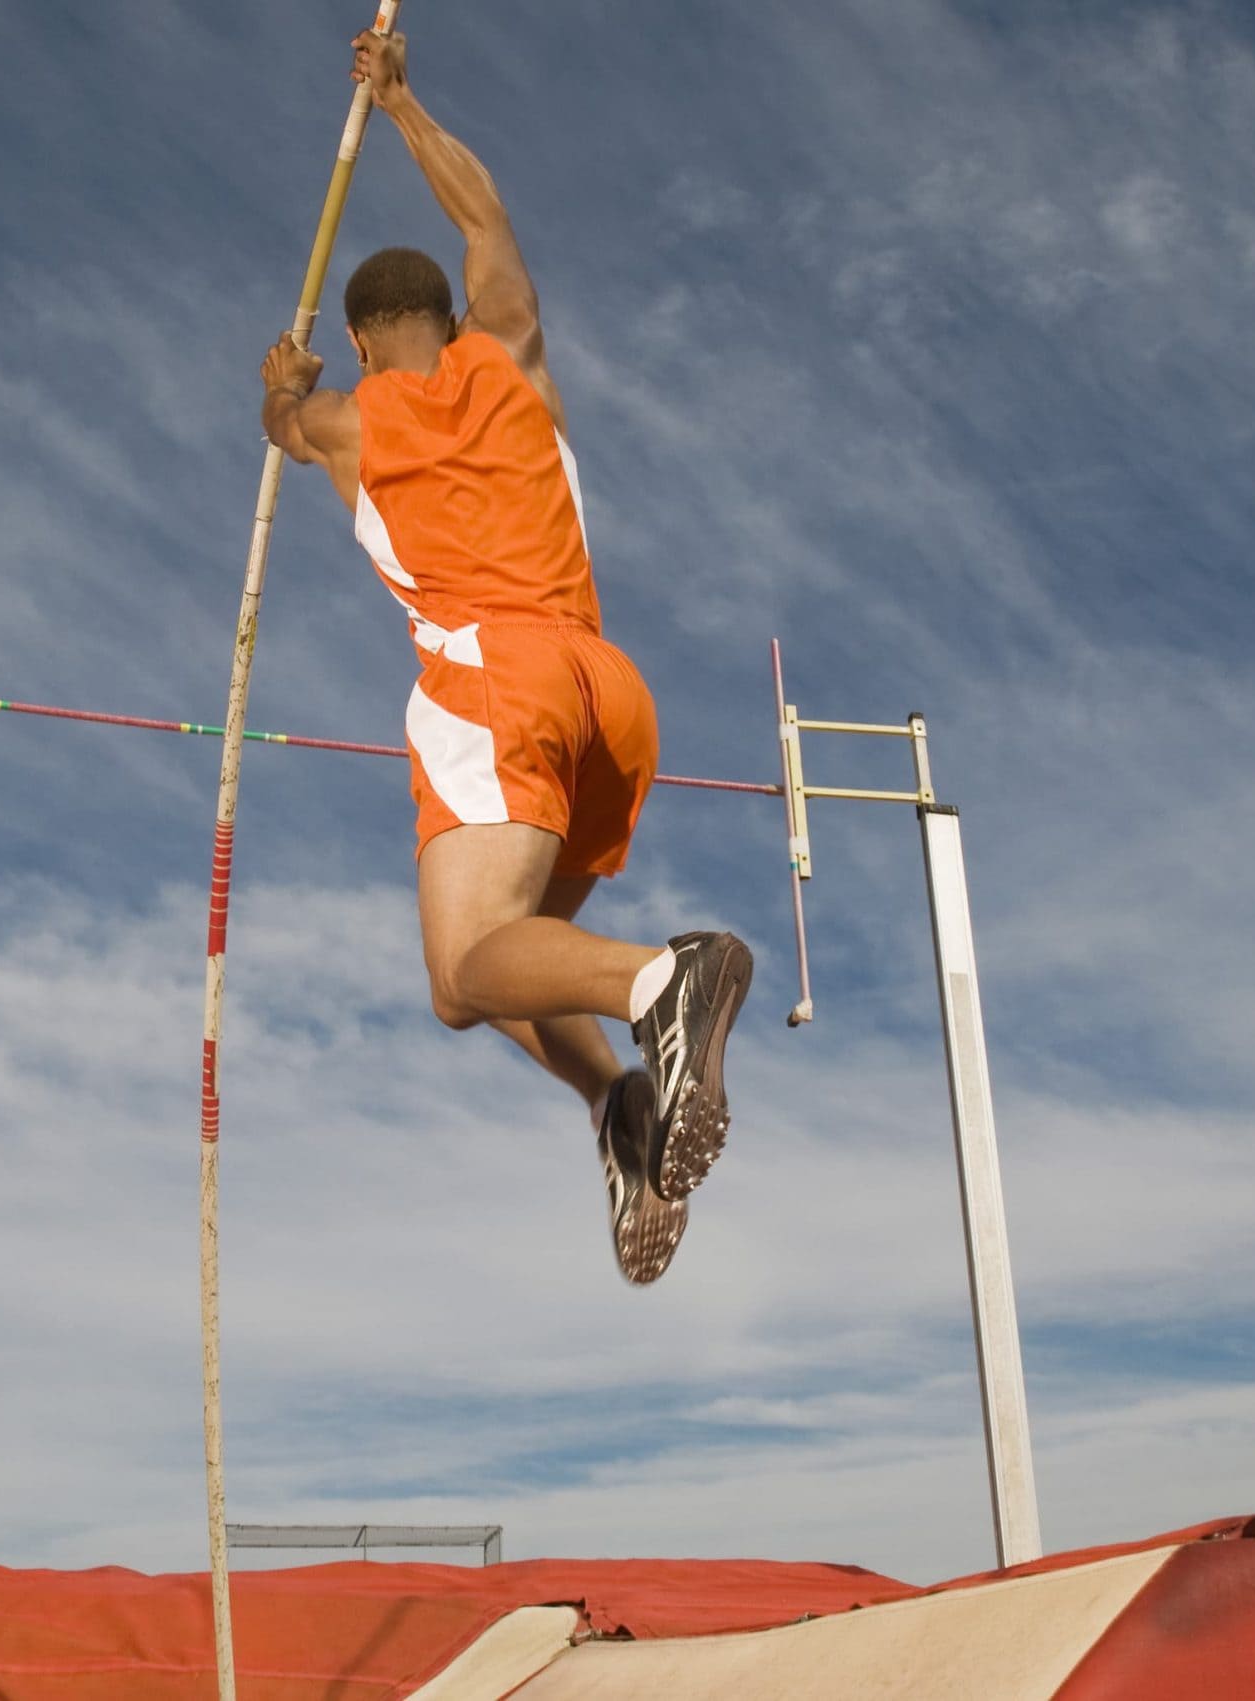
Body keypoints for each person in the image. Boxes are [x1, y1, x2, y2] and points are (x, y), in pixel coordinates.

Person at [258, 29, 752, 1285]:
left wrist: (282, 380)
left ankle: (664, 979)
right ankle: (618, 1107)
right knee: (478, 977)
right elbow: (488, 214)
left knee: (475, 962)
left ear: (365, 342)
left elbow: (272, 422)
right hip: (605, 688)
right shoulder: (512, 350)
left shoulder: (345, 423)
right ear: (447, 316)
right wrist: (406, 105)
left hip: (492, 687)